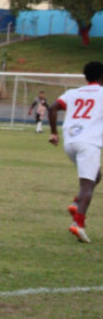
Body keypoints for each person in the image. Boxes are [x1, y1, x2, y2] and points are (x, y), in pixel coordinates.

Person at [47, 61, 103, 243]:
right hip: (88, 143)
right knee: (87, 184)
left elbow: (53, 107)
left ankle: (76, 202)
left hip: (70, 143)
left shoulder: (73, 93)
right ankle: (78, 224)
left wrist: (54, 133)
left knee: (96, 175)